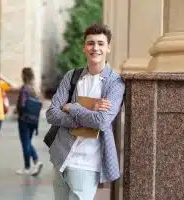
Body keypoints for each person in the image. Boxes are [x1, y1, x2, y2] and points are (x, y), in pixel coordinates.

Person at [46, 23, 125, 200]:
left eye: (100, 43)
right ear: (84, 47)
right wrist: (89, 112)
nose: (95, 48)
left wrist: (72, 107)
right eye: (90, 43)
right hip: (61, 156)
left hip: (87, 163)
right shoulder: (71, 76)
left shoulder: (115, 83)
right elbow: (51, 114)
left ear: (108, 48)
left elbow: (102, 121)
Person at [15, 67, 43, 176]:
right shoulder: (35, 88)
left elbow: (22, 104)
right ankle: (29, 166)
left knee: (25, 143)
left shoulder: (24, 88)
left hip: (24, 119)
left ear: (24, 76)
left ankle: (33, 162)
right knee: (28, 142)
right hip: (34, 120)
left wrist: (17, 110)